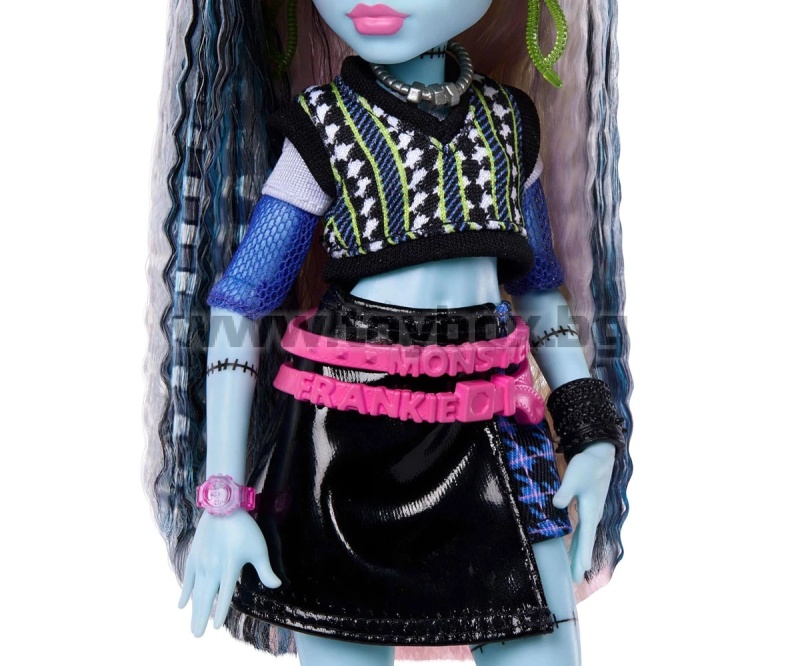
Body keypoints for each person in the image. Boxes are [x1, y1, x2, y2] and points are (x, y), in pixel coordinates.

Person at [145, 1, 632, 663]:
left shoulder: (508, 124)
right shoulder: (325, 126)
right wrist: (223, 498)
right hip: (345, 449)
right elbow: (241, 302)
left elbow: (541, 290)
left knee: (541, 637)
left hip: (493, 428)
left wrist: (588, 429)